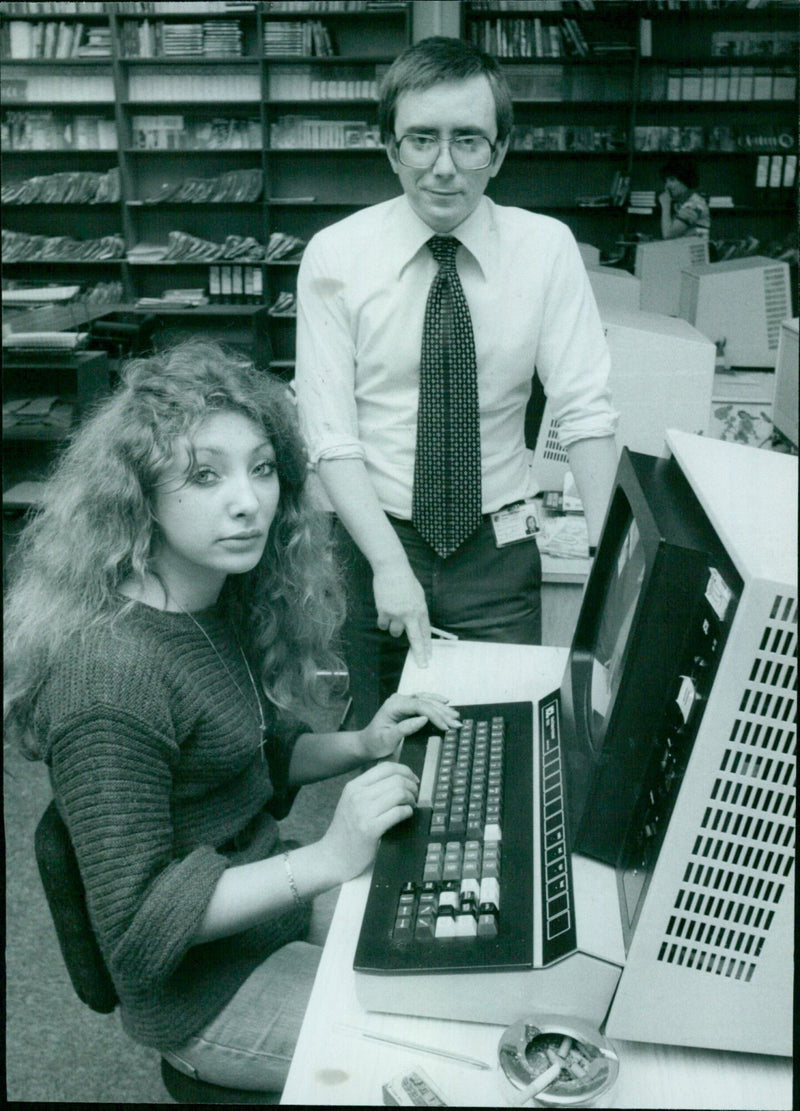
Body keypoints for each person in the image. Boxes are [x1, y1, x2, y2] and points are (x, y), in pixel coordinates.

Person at [3, 339, 460, 1093]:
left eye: (262, 468)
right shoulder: (109, 677)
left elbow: (249, 747)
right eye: (204, 475)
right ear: (138, 493)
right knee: (436, 1053)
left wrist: (365, 741)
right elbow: (138, 930)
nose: (247, 500)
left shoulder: (207, 597)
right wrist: (326, 857)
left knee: (447, 955)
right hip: (202, 997)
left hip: (259, 913)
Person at [295, 36, 618, 728]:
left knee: (503, 733)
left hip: (497, 547)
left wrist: (615, 557)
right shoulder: (337, 256)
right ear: (390, 147)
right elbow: (328, 435)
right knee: (382, 742)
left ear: (500, 151)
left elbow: (585, 410)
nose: (444, 167)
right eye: (422, 140)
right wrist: (387, 564)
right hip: (372, 537)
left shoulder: (546, 249)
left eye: (468, 140)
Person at [659, 154, 710, 240]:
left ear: (685, 179)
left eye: (672, 180)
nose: (667, 185)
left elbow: (668, 235)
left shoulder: (694, 204)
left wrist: (665, 205)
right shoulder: (684, 203)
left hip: (694, 251)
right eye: (665, 181)